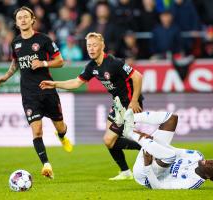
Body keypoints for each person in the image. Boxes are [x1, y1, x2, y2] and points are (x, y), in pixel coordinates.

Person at [40, 32, 143, 180]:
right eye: (89, 45)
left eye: (95, 45)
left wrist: (134, 101)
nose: (91, 48)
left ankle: (145, 148)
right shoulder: (91, 66)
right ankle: (125, 171)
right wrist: (55, 84)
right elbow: (76, 82)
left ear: (103, 46)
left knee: (109, 140)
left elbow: (137, 76)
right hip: (118, 104)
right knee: (109, 142)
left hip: (129, 104)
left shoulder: (114, 62)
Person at [0, 6, 73, 179]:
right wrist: (5, 77)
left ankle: (62, 137)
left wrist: (43, 63)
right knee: (36, 131)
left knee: (60, 126)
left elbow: (60, 61)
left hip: (48, 89)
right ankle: (46, 165)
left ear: (32, 20)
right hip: (29, 93)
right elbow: (15, 63)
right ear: (16, 22)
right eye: (19, 18)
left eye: (25, 17)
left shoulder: (44, 39)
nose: (22, 20)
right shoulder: (15, 43)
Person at [113, 98, 213, 189]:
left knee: (170, 156)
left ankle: (130, 132)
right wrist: (154, 142)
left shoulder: (191, 183)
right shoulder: (196, 155)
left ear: (208, 176)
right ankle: (127, 120)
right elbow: (172, 149)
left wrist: (147, 165)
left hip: (145, 173)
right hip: (153, 155)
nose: (210, 161)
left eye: (211, 166)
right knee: (172, 118)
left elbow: (158, 187)